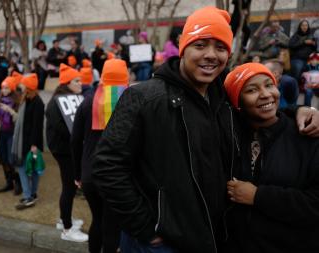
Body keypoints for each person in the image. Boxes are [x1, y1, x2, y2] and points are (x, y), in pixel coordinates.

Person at [92, 6, 319, 253]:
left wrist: (299, 111)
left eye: (220, 48)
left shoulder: (222, 100)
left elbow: (259, 110)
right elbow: (107, 166)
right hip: (160, 243)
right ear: (183, 47)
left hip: (211, 237)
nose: (211, 55)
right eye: (200, 45)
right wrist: (146, 227)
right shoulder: (144, 98)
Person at [224, 62, 319, 253]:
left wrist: (258, 196)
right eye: (252, 90)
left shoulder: (308, 134)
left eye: (269, 85)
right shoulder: (230, 135)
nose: (266, 94)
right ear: (238, 103)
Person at [72, 59, 128, 253]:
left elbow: (75, 140)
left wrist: (77, 174)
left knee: (97, 220)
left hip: (90, 174)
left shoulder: (87, 102)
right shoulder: (130, 101)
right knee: (112, 225)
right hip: (116, 177)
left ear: (102, 77)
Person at [45, 63, 88, 242]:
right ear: (67, 83)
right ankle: (67, 229)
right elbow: (63, 129)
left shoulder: (71, 98)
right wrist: (79, 137)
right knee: (69, 186)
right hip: (63, 151)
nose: (81, 83)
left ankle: (65, 219)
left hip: (68, 149)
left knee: (69, 186)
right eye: (76, 80)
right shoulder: (56, 103)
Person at [12, 73, 44, 210]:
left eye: (23, 84)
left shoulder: (37, 102)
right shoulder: (27, 99)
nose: (21, 86)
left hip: (30, 143)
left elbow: (37, 126)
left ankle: (28, 196)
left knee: (25, 168)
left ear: (28, 87)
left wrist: (34, 145)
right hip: (24, 142)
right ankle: (32, 193)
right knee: (30, 169)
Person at [0, 76, 20, 194]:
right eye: (3, 88)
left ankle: (18, 182)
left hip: (11, 133)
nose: (4, 90)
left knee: (11, 159)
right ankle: (8, 182)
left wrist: (10, 110)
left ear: (12, 88)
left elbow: (18, 120)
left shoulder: (17, 101)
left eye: (7, 88)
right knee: (3, 159)